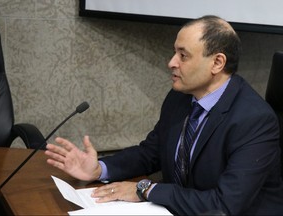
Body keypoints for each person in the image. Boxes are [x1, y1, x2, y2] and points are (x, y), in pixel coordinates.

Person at [45, 15, 283, 215]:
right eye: (174, 53)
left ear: (217, 63)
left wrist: (146, 189)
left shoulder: (254, 120)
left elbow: (225, 204)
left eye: (183, 55)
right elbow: (151, 152)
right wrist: (99, 169)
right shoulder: (179, 97)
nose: (171, 62)